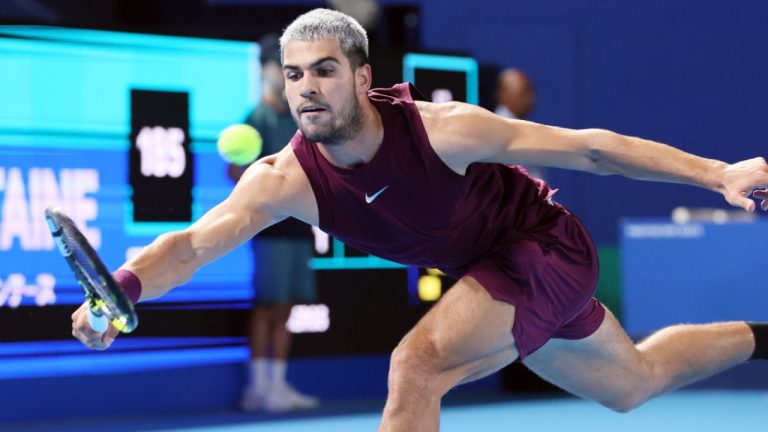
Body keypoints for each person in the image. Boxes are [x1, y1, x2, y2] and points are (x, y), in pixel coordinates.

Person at [72, 8, 768, 432]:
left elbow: (590, 148)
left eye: (323, 70)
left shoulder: (443, 129)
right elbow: (193, 246)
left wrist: (718, 172)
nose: (307, 88)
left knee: (416, 366)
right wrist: (123, 289)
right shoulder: (283, 180)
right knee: (633, 383)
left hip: (542, 249)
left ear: (360, 75)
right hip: (487, 278)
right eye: (293, 75)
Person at [228, 34, 319, 413]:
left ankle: (277, 386)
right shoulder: (255, 119)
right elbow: (236, 172)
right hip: (270, 231)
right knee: (267, 307)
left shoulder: (303, 119)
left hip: (300, 227)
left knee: (286, 309)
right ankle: (257, 388)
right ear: (266, 72)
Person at [494, 67, 544, 179]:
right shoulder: (497, 128)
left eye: (531, 91)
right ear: (503, 95)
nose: (531, 98)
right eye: (524, 92)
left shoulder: (524, 126)